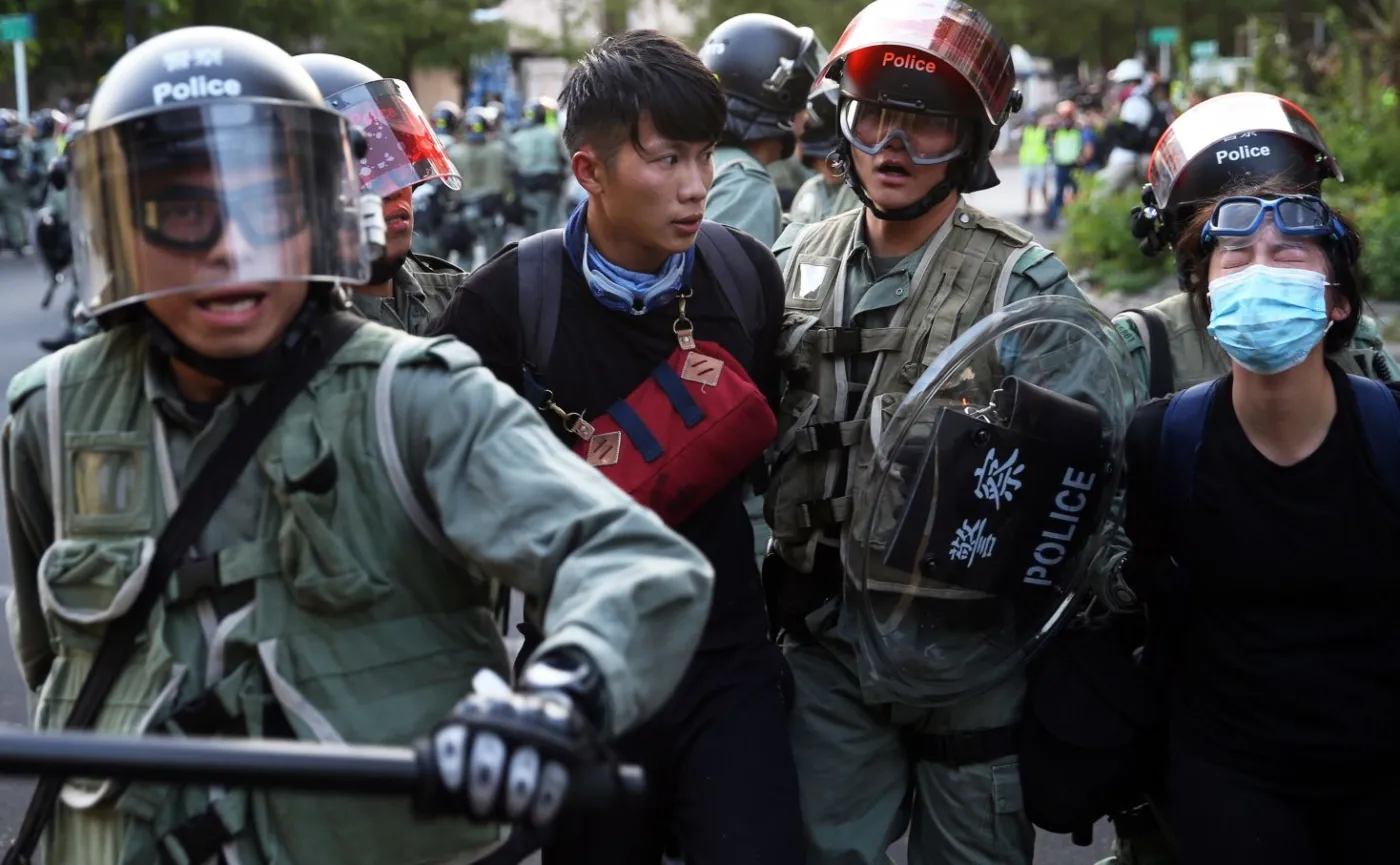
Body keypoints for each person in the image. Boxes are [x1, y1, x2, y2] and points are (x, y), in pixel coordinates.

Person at [3, 26, 714, 865]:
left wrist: (554, 701)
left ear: (320, 207)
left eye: (268, 204)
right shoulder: (50, 412)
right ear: (124, 223)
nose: (230, 246)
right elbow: (51, 652)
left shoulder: (413, 393)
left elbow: (633, 561)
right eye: (184, 209)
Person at [430, 28, 803, 865]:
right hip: (584, 675)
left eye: (706, 157)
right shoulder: (507, 302)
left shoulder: (746, 279)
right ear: (589, 170)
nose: (697, 187)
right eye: (667, 159)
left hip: (728, 661)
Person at [766, 2, 1104, 863]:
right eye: (874, 116)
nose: (892, 147)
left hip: (970, 661)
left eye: (926, 127)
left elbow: (1090, 487)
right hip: (823, 643)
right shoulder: (791, 261)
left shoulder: (1022, 285)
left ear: (972, 143)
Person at [1095, 90, 1399, 865]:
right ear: (1204, 285)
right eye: (1234, 248)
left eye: (1290, 242)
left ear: (1336, 301)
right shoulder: (1159, 419)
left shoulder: (1386, 422)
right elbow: (1122, 566)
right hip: (1223, 770)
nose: (1262, 268)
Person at [294, 53, 469, 334]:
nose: (393, 190)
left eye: (396, 165)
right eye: (360, 176)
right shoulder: (284, 337)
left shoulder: (465, 302)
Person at [699, 12, 824, 247]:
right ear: (777, 96)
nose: (806, 113)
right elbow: (731, 281)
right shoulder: (746, 185)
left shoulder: (710, 161)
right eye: (801, 94)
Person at [788, 80, 860, 224]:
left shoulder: (866, 194)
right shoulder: (810, 190)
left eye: (835, 158)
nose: (829, 166)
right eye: (819, 159)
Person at [449, 106, 513, 267]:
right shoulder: (499, 150)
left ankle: (462, 287)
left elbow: (448, 186)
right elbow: (513, 172)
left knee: (464, 260)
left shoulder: (455, 152)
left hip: (465, 211)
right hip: (491, 211)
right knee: (495, 260)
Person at [1097, 59, 1166, 195]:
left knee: (1099, 195)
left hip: (1126, 160)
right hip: (1132, 159)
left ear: (1129, 83)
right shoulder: (1143, 100)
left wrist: (1106, 126)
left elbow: (1129, 136)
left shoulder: (1134, 103)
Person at [509, 97, 570, 234]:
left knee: (530, 231)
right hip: (550, 187)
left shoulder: (516, 138)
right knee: (550, 228)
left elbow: (511, 166)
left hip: (527, 189)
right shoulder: (554, 134)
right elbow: (567, 158)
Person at [1044, 100, 1085, 228]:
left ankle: (1078, 219)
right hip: (1061, 164)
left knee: (1077, 193)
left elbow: (1084, 144)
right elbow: (1048, 140)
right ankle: (1052, 219)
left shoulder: (1078, 129)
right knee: (1058, 194)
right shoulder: (1056, 130)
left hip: (1075, 165)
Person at [1018, 111, 1050, 222]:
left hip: (1040, 163)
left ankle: (1046, 209)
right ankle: (1028, 211)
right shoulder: (1025, 130)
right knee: (1028, 188)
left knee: (1042, 187)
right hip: (1027, 163)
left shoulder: (1044, 130)